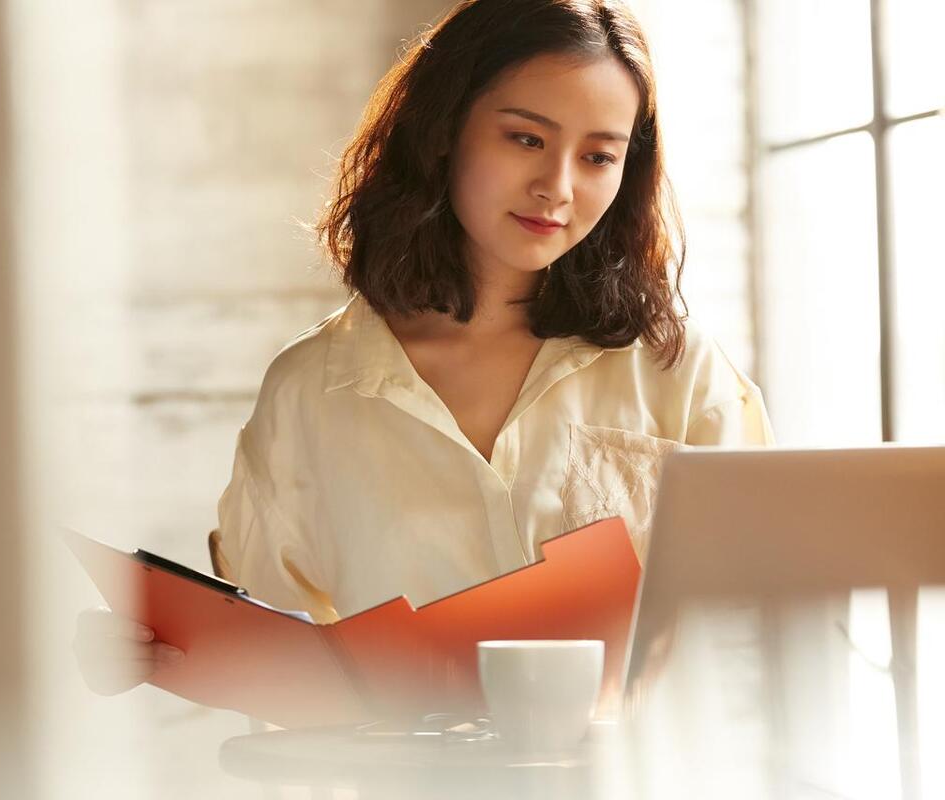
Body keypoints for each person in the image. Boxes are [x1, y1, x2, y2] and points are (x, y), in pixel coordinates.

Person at [73, 0, 774, 697]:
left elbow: (764, 620)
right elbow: (270, 659)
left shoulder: (676, 371)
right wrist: (153, 656)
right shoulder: (312, 392)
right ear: (444, 132)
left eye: (597, 156)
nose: (557, 187)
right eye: (526, 139)